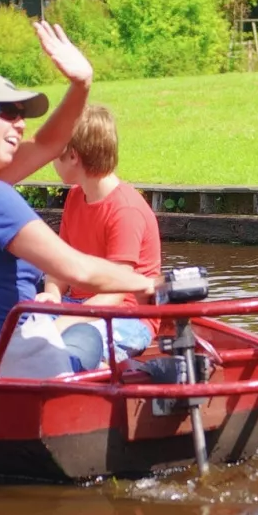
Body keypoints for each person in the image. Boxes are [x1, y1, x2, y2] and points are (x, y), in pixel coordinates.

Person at [0, 23, 154, 378]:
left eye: (23, 117)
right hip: (16, 363)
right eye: (8, 113)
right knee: (87, 334)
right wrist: (155, 283)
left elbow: (48, 145)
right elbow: (79, 270)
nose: (21, 125)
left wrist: (81, 84)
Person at [37, 104, 162, 362]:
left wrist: (66, 321)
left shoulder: (125, 210)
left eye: (54, 153)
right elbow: (60, 264)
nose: (50, 161)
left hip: (127, 318)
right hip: (80, 307)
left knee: (70, 346)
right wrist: (52, 295)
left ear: (73, 156)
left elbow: (116, 291)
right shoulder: (75, 196)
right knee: (19, 323)